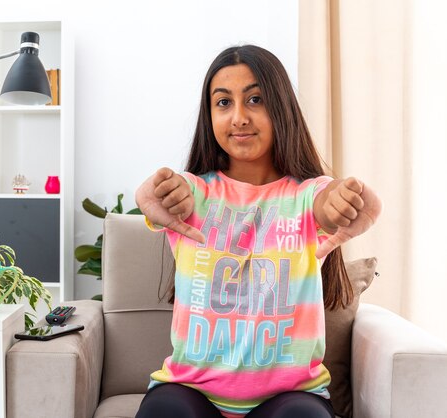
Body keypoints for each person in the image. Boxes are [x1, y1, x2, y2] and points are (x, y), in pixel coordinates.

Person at [134, 45, 382, 418]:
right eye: (223, 103)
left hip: (290, 398)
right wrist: (152, 193)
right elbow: (163, 193)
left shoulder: (305, 196)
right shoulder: (195, 195)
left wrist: (348, 200)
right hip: (190, 392)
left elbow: (328, 201)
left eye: (255, 99)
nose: (239, 117)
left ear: (281, 107)